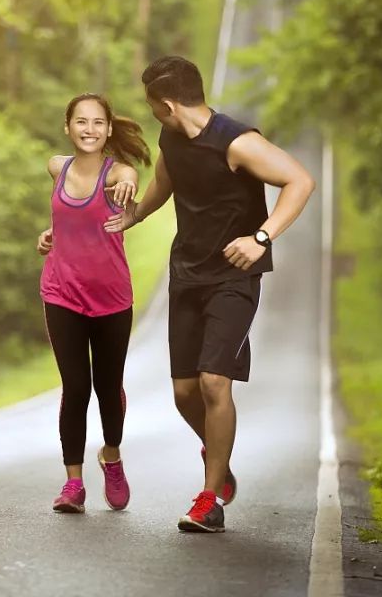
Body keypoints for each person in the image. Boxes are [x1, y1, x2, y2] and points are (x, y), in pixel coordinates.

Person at [104, 55, 315, 532]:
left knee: (214, 383)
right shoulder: (172, 136)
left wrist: (261, 237)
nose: (153, 112)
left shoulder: (238, 142)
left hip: (233, 279)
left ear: (168, 103)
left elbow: (300, 180)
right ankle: (216, 452)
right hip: (187, 273)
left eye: (153, 105)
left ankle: (209, 498)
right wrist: (136, 214)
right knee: (183, 393)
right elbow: (165, 180)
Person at [36, 92, 151, 514]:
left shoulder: (117, 173)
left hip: (111, 298)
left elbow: (130, 178)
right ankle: (73, 484)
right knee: (76, 387)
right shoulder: (56, 167)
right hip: (61, 293)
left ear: (108, 129)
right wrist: (50, 235)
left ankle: (112, 456)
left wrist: (128, 185)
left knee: (107, 387)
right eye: (80, 122)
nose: (89, 129)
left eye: (97, 123)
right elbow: (64, 216)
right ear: (67, 126)